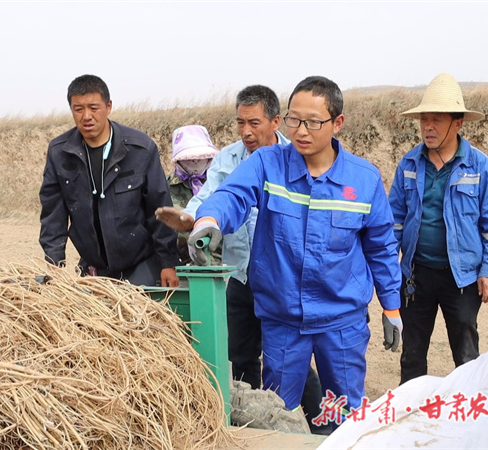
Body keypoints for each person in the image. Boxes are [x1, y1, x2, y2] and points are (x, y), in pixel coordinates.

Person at [180, 76, 403, 423]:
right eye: (294, 120)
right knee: (277, 413)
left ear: (337, 123)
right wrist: (209, 220)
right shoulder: (268, 164)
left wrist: (392, 307)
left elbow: (382, 248)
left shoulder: (364, 180)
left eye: (313, 122)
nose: (301, 131)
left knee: (343, 413)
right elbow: (232, 195)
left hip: (341, 320)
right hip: (283, 319)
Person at [156, 85, 329, 434]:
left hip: (283, 276)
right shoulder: (229, 158)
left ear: (275, 121)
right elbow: (211, 195)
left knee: (288, 355)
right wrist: (192, 218)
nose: (246, 132)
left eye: (254, 122)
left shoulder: (296, 157)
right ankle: (252, 425)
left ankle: (317, 424)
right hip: (238, 273)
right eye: (240, 123)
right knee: (241, 352)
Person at [388, 73, 488, 385]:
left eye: (437, 120)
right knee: (412, 351)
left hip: (463, 277)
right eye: (424, 119)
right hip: (417, 275)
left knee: (466, 351)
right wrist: (390, 268)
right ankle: (411, 412)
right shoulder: (409, 165)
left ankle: (469, 414)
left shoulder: (481, 167)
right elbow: (394, 220)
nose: (428, 126)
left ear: (457, 123)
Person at [39, 74, 180, 287]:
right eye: (78, 109)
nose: (86, 116)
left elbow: (159, 207)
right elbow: (53, 214)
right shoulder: (60, 152)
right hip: (93, 268)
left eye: (94, 107)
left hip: (140, 263)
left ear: (108, 106)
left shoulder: (140, 148)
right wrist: (54, 263)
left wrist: (168, 262)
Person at [166, 125, 221, 265]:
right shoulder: (164, 187)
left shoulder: (220, 183)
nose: (195, 162)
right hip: (180, 267)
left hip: (221, 266)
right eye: (190, 158)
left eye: (200, 157)